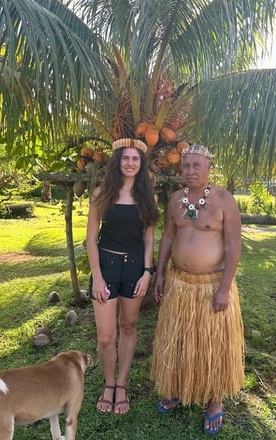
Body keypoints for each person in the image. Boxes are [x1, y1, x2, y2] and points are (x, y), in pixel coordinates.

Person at [150, 143, 244, 434]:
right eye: (186, 165)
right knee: (178, 341)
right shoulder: (176, 199)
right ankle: (177, 389)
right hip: (179, 284)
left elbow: (233, 245)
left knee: (213, 346)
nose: (190, 171)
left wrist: (224, 288)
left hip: (211, 285)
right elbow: (167, 236)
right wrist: (160, 274)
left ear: (208, 168)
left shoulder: (224, 200)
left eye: (196, 166)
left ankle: (215, 401)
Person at [86, 138, 159, 415]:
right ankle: (108, 383)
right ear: (118, 163)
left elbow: (149, 239)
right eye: (125, 159)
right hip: (106, 268)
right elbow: (91, 240)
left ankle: (122, 384)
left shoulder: (147, 198)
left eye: (135, 159)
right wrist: (98, 278)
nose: (130, 163)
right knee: (106, 336)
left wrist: (147, 273)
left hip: (134, 270)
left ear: (141, 166)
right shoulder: (100, 194)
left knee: (129, 327)